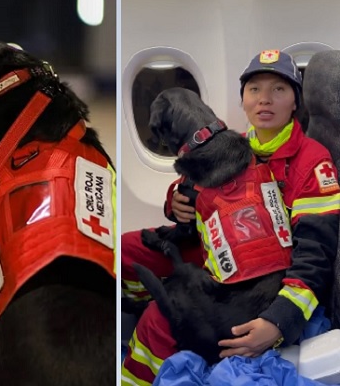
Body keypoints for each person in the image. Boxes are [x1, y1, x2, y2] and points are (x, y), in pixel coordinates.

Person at [120, 50, 340, 385]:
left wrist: (279, 321)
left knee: (159, 319)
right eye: (254, 90)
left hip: (265, 275)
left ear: (296, 102)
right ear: (243, 101)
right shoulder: (235, 143)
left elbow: (316, 252)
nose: (264, 100)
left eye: (278, 90)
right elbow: (190, 187)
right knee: (125, 250)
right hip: (217, 248)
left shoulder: (313, 161)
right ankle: (131, 306)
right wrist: (175, 203)